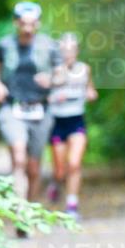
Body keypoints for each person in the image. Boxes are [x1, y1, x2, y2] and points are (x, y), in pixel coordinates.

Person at [0, 2, 61, 213]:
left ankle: (28, 212)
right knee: (19, 157)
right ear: (16, 23)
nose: (27, 28)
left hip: (40, 109)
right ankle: (18, 204)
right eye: (23, 23)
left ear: (38, 24)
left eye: (31, 24)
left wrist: (51, 79)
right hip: (12, 107)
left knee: (33, 167)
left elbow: (61, 73)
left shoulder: (49, 46)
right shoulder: (4, 45)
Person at [46, 33, 97, 219]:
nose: (68, 54)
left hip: (76, 121)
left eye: (72, 50)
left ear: (77, 51)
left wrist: (91, 94)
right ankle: (55, 182)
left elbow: (90, 90)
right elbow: (42, 97)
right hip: (57, 122)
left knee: (74, 164)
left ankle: (72, 205)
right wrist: (53, 97)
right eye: (64, 50)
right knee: (60, 170)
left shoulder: (85, 69)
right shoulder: (52, 71)